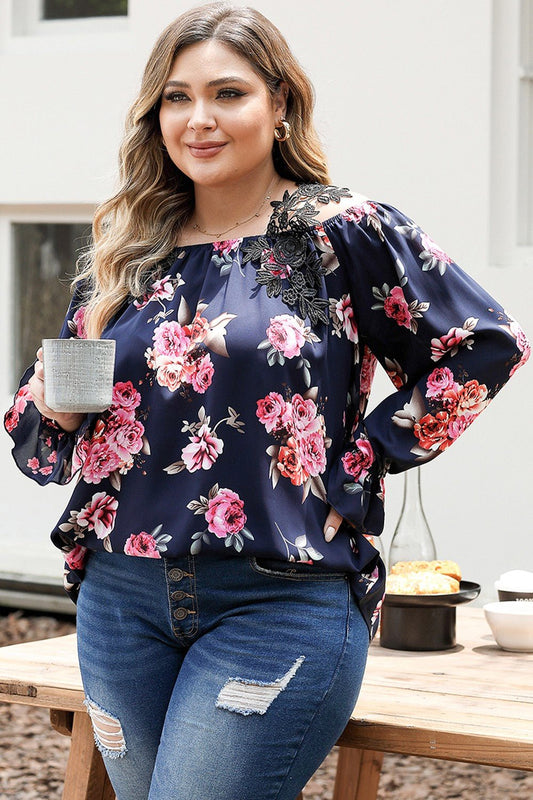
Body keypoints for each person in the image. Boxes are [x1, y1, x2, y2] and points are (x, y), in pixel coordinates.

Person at [4, 4, 529, 799]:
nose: (199, 119)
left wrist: (362, 459)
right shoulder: (129, 250)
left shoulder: (340, 232)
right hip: (121, 599)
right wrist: (55, 409)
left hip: (277, 596)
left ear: (279, 102)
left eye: (228, 93)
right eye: (176, 98)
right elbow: (40, 430)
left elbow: (485, 344)